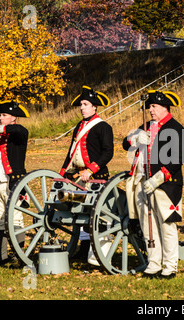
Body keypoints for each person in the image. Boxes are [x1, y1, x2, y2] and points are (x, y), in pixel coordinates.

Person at [123, 89, 184, 278]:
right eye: (149, 106)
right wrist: (135, 139)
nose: (150, 110)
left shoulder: (176, 129)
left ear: (164, 107)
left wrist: (158, 178)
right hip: (143, 182)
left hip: (166, 184)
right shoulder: (146, 126)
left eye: (154, 106)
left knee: (167, 225)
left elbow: (177, 159)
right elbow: (124, 144)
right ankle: (154, 262)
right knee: (147, 225)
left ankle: (169, 265)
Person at [60, 85, 114, 261]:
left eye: (85, 104)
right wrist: (64, 172)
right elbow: (71, 151)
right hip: (78, 176)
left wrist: (91, 169)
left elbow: (108, 152)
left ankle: (98, 254)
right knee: (80, 213)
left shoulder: (103, 127)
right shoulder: (79, 126)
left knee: (97, 215)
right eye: (81, 104)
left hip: (96, 177)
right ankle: (83, 250)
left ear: (94, 107)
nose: (82, 107)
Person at [0, 101, 29, 265]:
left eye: (4, 116)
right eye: (0, 116)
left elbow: (18, 130)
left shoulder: (19, 132)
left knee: (16, 219)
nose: (0, 118)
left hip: (14, 182)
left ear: (13, 117)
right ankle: (2, 256)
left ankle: (20, 256)